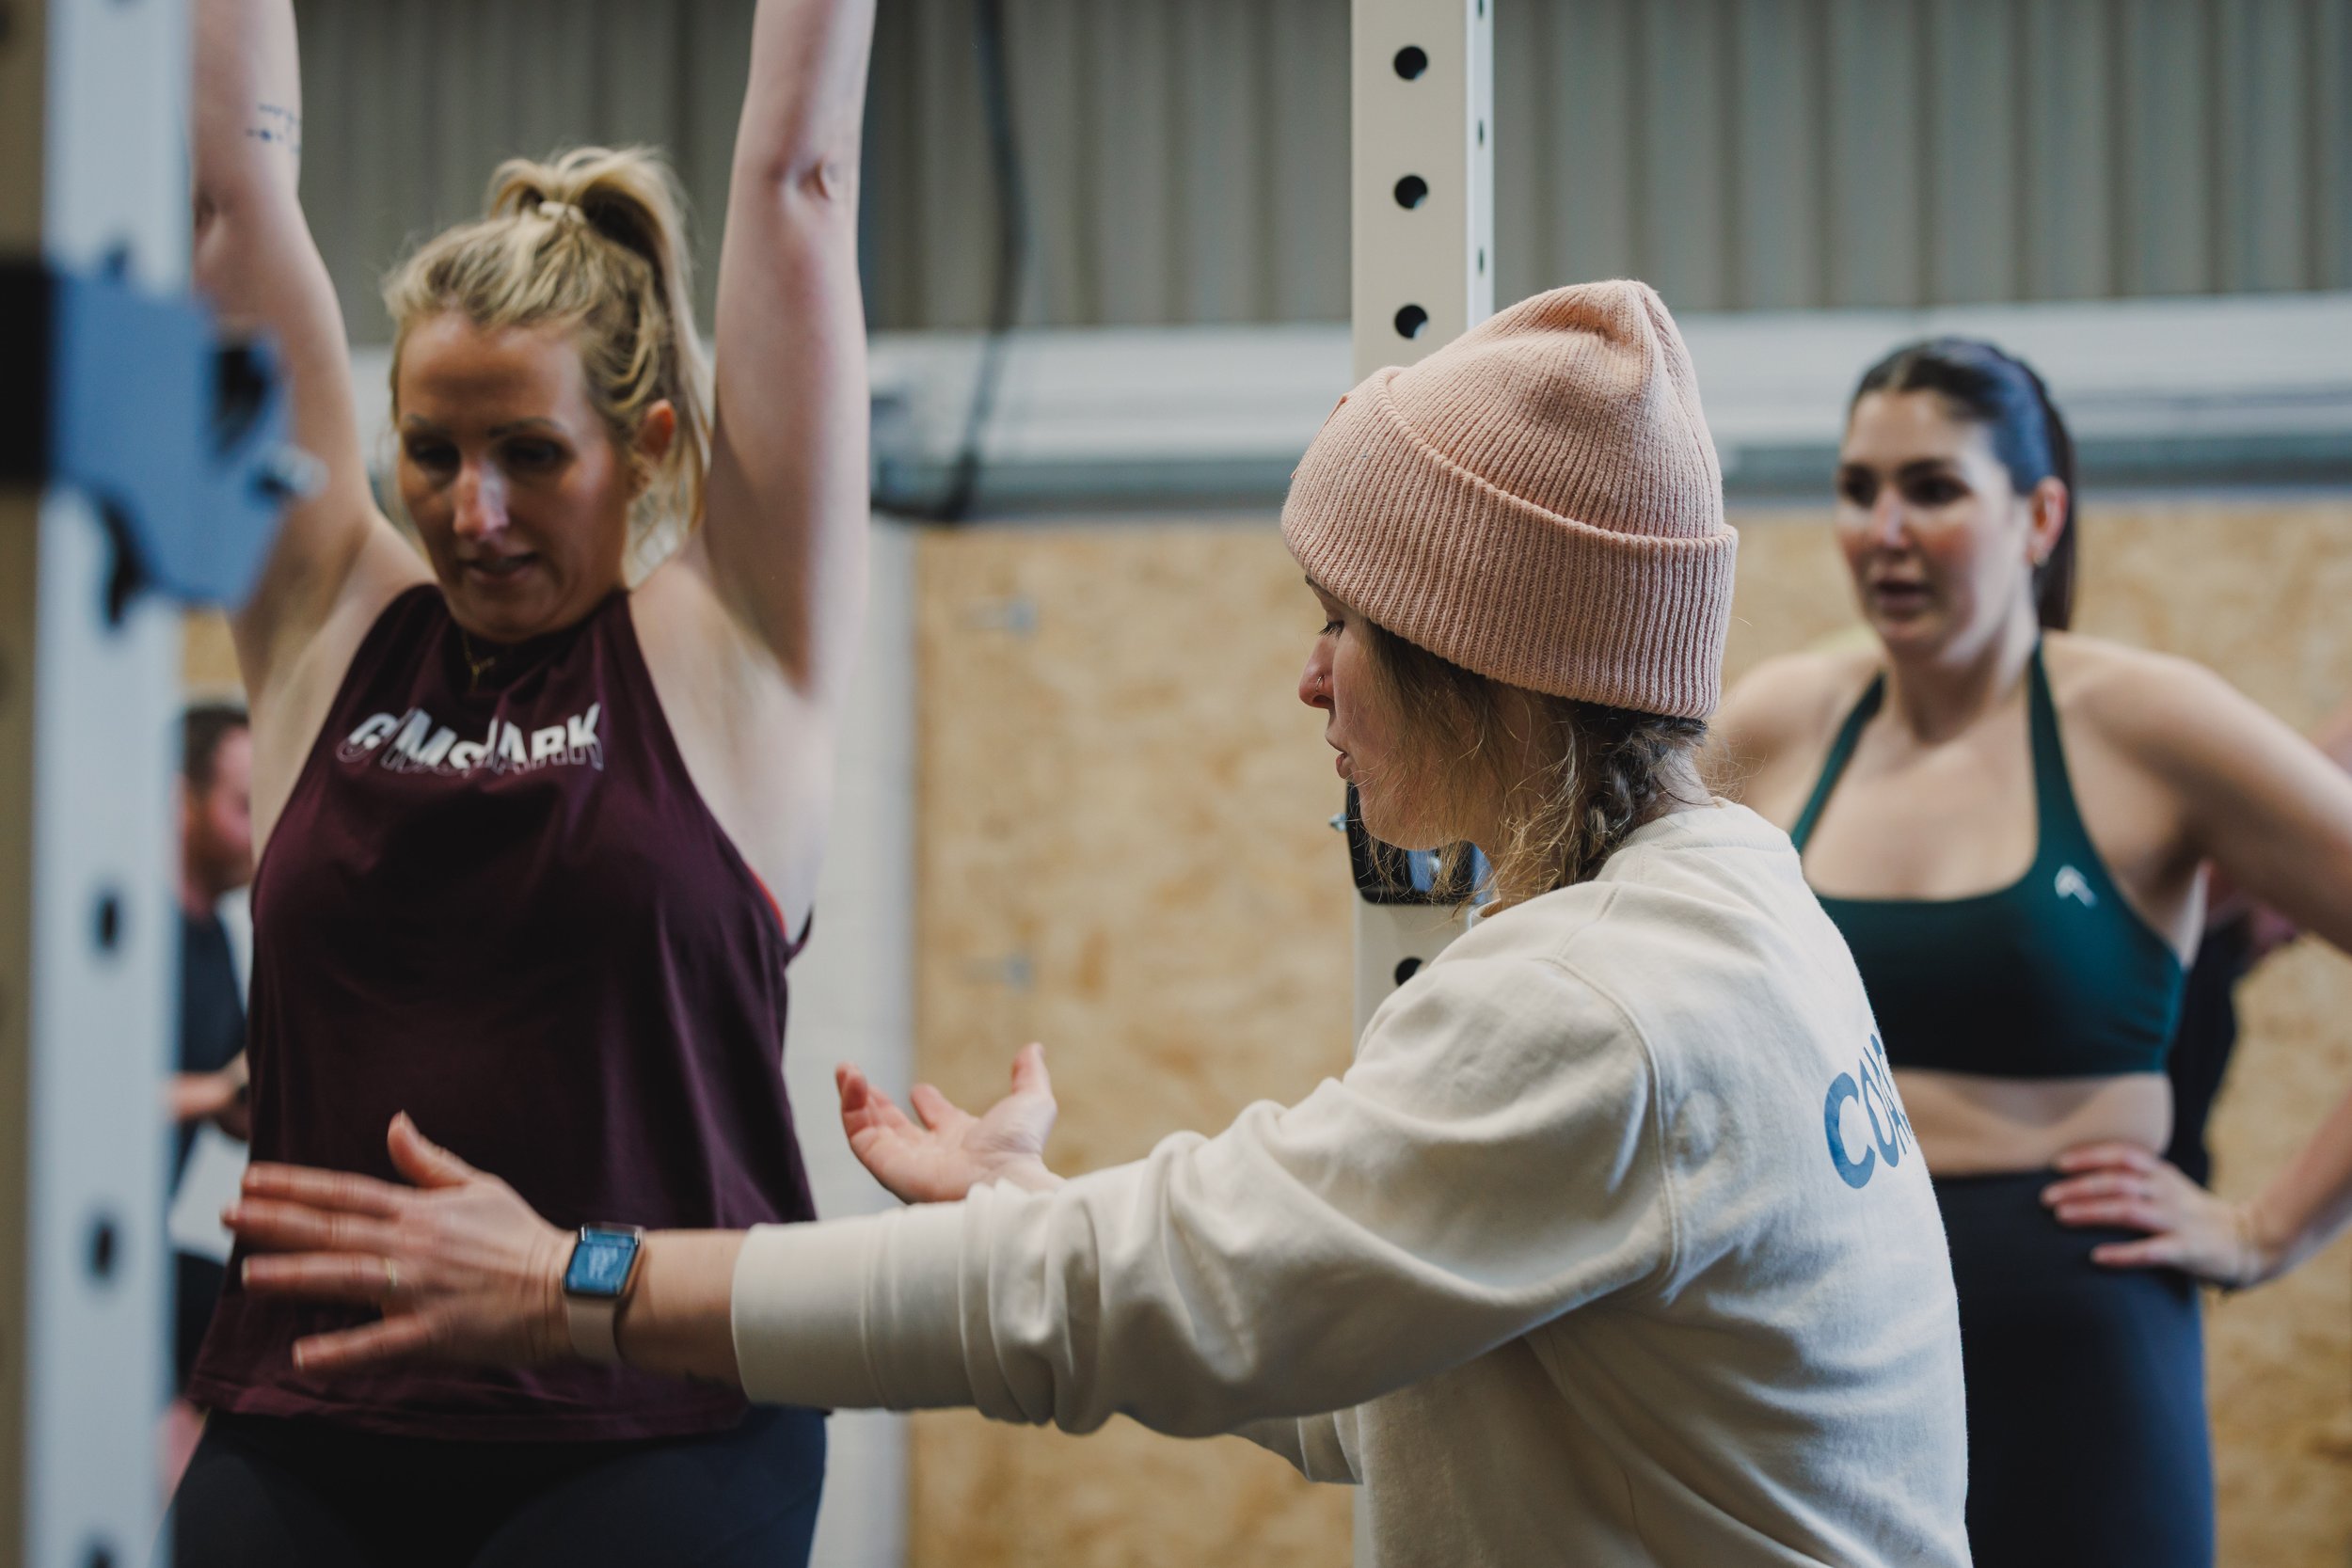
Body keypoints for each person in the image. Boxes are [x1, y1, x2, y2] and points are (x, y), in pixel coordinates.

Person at [223, 282, 1973, 1568]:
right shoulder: (1735, 893)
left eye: (1341, 623)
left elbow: (1128, 1297)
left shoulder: (1599, 1005)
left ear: (1487, 667)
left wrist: (577, 1278)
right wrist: (1027, 1206)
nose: (1308, 679)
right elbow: (1355, 1366)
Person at [167, 0, 875, 1560]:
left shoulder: (734, 639)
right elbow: (230, 197)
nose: (469, 511)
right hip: (305, 1420)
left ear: (650, 445)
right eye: (429, 450)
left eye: (531, 457)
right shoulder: (323, 621)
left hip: (654, 1425)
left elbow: (799, 180)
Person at [1710, 338, 2352, 1567]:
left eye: (1933, 488)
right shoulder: (1783, 722)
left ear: (2039, 511)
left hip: (2076, 1353)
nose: (1883, 528)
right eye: (1858, 488)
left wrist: (2269, 1229)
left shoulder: (2145, 723)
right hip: (1823, 1340)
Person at [166, 702, 257, 1485]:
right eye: (243, 807)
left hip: (152, 1247)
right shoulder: (121, 930)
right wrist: (224, 1085)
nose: (259, 835)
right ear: (181, 801)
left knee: (249, 1310)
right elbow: (88, 1104)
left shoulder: (218, 940)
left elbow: (230, 1109)